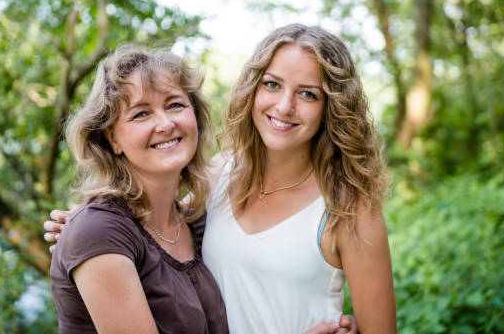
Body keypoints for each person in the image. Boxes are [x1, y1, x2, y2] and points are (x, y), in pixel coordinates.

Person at [47, 24, 396, 333]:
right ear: (253, 89)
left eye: (308, 94)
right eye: (272, 84)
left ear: (331, 107)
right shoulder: (221, 173)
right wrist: (82, 227)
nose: (285, 105)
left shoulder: (350, 209)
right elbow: (150, 226)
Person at [49, 46, 228, 333]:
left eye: (175, 105)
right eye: (142, 114)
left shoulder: (195, 221)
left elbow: (239, 158)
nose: (166, 124)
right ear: (112, 139)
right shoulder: (98, 230)